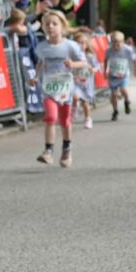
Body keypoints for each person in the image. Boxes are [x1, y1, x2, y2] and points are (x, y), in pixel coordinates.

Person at [31, 10, 88, 168]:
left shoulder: (71, 46)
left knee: (64, 121)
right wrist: (36, 76)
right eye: (47, 24)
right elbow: (41, 62)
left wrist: (73, 64)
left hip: (65, 90)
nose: (50, 27)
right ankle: (48, 151)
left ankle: (66, 148)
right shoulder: (42, 47)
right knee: (50, 117)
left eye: (54, 23)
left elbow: (83, 63)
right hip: (49, 88)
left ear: (62, 26)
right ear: (43, 27)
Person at [104, 30, 136, 121]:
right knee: (114, 94)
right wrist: (105, 71)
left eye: (119, 42)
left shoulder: (128, 50)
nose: (117, 44)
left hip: (123, 75)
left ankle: (127, 101)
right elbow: (106, 60)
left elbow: (135, 60)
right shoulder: (109, 50)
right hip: (113, 75)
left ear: (123, 42)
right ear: (111, 42)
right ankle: (115, 111)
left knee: (123, 90)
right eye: (114, 42)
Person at [72, 31, 99, 129]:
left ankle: (88, 119)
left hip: (86, 84)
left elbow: (97, 66)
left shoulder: (90, 56)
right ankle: (74, 109)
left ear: (87, 45)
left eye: (83, 43)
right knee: (75, 97)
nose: (80, 45)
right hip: (75, 82)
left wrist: (93, 69)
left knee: (85, 103)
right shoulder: (72, 56)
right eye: (78, 43)